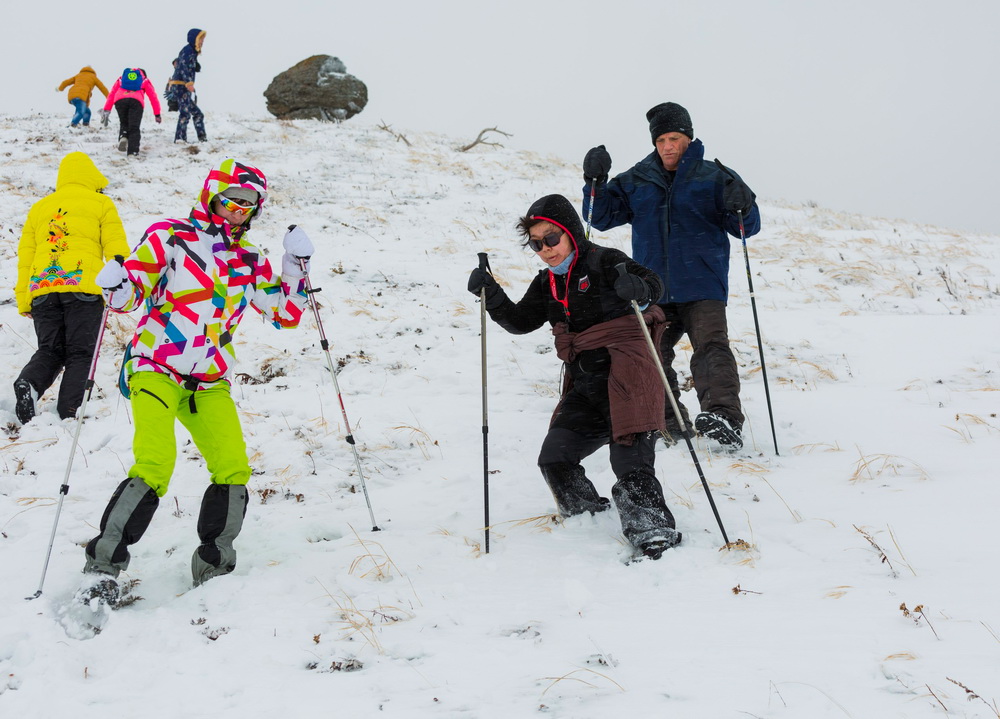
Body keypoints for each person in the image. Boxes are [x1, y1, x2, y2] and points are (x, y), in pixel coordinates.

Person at [81, 158, 315, 602]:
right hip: (156, 366)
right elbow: (130, 295)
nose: (239, 210)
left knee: (233, 466)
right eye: (232, 200)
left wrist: (294, 266)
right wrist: (115, 286)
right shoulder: (170, 236)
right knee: (156, 462)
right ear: (213, 195)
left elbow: (285, 315)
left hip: (209, 379)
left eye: (249, 205)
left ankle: (214, 563)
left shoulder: (249, 259)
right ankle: (103, 565)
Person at [467, 194, 681, 560]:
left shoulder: (605, 261)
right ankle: (587, 518)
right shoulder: (547, 283)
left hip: (628, 377)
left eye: (552, 238)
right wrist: (493, 295)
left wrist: (640, 291)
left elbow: (653, 284)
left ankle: (653, 531)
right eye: (537, 244)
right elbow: (521, 322)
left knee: (629, 462)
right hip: (586, 386)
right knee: (555, 458)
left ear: (571, 233)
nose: (546, 249)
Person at [582, 102, 761, 450]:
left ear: (688, 139)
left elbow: (744, 228)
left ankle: (723, 418)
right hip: (655, 288)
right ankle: (669, 421)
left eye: (674, 138)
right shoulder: (637, 180)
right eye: (661, 139)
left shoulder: (714, 177)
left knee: (711, 348)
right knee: (651, 354)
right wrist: (595, 183)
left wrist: (744, 205)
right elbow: (598, 217)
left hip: (703, 286)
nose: (667, 146)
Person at [13, 152, 129, 423]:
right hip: (84, 290)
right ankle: (69, 411)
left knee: (49, 350)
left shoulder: (40, 207)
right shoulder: (101, 203)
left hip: (42, 289)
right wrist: (124, 290)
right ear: (91, 177)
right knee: (81, 351)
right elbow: (118, 252)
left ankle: (29, 383)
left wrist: (24, 299)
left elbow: (25, 257)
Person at [100, 68, 162, 156]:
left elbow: (112, 93)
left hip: (120, 100)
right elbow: (153, 97)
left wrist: (107, 109)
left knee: (124, 122)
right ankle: (132, 152)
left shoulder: (122, 78)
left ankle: (123, 136)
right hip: (136, 102)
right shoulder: (145, 80)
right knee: (134, 127)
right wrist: (157, 114)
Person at [168, 28, 207, 143]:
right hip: (181, 86)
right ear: (194, 39)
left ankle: (202, 138)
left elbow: (184, 64)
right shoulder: (188, 51)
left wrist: (196, 66)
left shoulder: (192, 52)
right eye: (200, 39)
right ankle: (180, 139)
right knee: (185, 113)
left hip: (182, 86)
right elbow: (184, 67)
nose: (202, 42)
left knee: (198, 114)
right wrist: (189, 83)